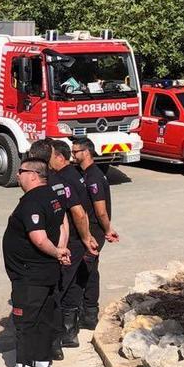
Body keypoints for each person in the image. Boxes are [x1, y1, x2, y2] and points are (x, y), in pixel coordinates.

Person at [2, 158, 70, 367]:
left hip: (30, 276)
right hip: (47, 273)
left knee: (25, 323)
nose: (18, 175)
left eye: (21, 171)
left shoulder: (32, 201)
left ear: (32, 174)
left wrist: (57, 251)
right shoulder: (53, 196)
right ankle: (41, 365)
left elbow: (38, 238)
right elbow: (62, 223)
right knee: (44, 320)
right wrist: (61, 248)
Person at [48, 139, 99, 349]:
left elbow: (79, 212)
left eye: (50, 157)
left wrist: (86, 237)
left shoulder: (63, 179)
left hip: (72, 242)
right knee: (75, 285)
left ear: (59, 157)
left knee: (60, 287)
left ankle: (57, 338)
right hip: (80, 240)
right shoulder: (76, 175)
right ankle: (70, 334)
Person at [71, 138, 119, 330]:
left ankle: (88, 314)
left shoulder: (94, 177)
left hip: (93, 231)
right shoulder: (85, 174)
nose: (73, 155)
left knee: (85, 272)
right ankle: (88, 313)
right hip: (91, 230)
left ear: (87, 152)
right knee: (90, 272)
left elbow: (100, 210)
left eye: (76, 152)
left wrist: (108, 230)